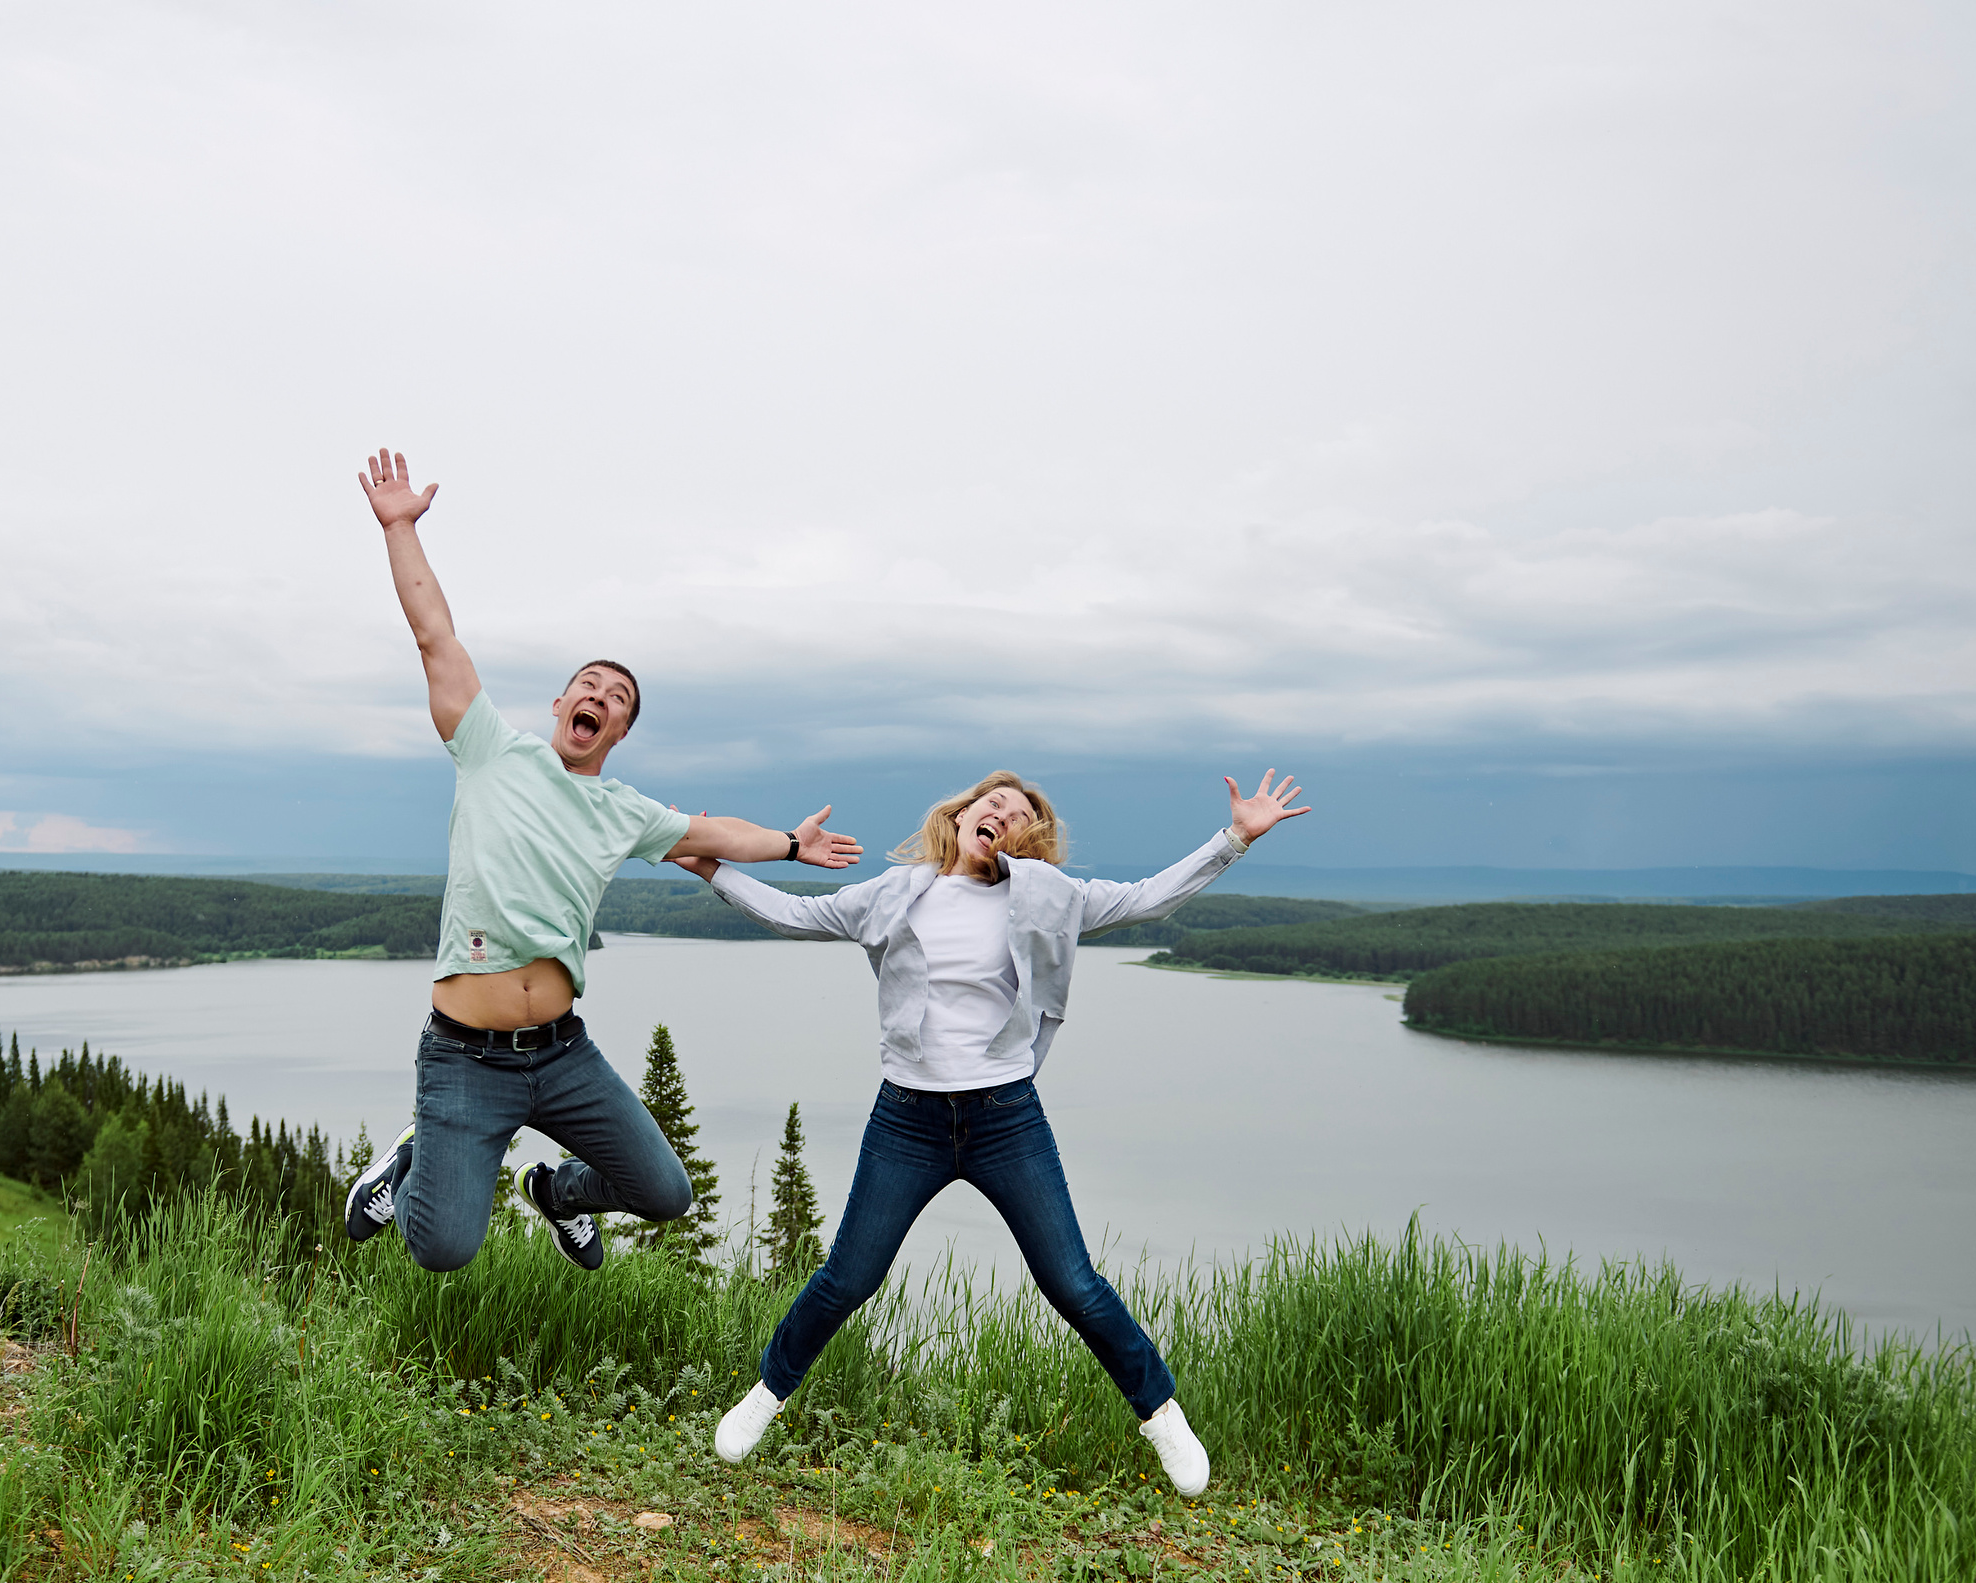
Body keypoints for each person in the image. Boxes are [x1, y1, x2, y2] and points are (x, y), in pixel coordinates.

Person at [674, 766, 1307, 1496]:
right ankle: (766, 1395)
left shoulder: (1048, 897)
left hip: (1005, 1117)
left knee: (1072, 1281)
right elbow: (795, 914)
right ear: (961, 813)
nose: (1001, 814)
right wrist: (711, 867)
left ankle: (1162, 1413)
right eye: (992, 802)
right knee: (848, 1276)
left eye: (1017, 813)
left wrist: (1234, 839)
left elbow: (1145, 900)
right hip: (907, 1118)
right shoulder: (894, 892)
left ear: (1026, 838)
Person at [344, 448, 864, 1274]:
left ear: (617, 734)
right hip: (462, 1056)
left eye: (617, 700)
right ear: (560, 704)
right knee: (442, 1246)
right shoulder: (489, 749)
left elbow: (715, 834)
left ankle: (556, 1194)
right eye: (589, 685)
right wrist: (401, 526)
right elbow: (434, 634)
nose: (600, 698)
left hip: (560, 1054)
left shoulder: (623, 810)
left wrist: (794, 843)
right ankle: (406, 1168)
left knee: (664, 1191)